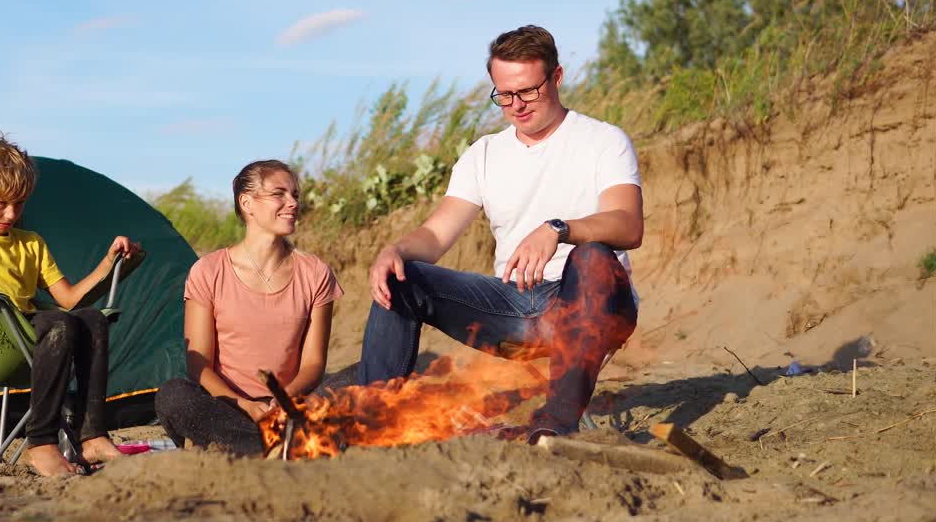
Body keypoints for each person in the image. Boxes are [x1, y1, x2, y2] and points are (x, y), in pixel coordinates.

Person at [358, 25, 641, 441]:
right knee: (403, 276)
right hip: (514, 308)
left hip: (591, 303)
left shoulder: (602, 141)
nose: (516, 105)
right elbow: (435, 236)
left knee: (592, 255)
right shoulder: (484, 154)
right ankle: (369, 422)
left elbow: (629, 224)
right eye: (504, 95)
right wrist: (394, 250)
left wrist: (559, 230)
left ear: (557, 77)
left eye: (527, 91)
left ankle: (557, 424)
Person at [0, 132, 141, 477]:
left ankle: (92, 435)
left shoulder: (30, 243)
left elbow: (69, 298)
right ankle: (41, 443)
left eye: (19, 204)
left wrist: (109, 264)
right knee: (58, 323)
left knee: (91, 318)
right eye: (2, 203)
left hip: (31, 343)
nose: (11, 213)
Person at [155, 160, 342, 455]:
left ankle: (264, 444)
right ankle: (273, 446)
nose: (292, 203)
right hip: (230, 408)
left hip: (290, 405)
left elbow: (313, 364)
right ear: (247, 203)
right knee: (173, 395)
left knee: (361, 379)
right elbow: (199, 364)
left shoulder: (315, 272)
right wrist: (245, 405)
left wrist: (282, 400)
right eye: (279, 194)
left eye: (295, 194)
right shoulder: (208, 271)